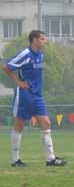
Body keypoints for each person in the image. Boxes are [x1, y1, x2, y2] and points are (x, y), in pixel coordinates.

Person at [2, 30, 67, 167]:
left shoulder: (41, 55)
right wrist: (18, 82)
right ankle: (15, 160)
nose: (45, 41)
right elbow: (6, 67)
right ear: (35, 40)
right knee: (19, 125)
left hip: (37, 96)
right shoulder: (25, 54)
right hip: (25, 95)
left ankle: (50, 159)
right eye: (42, 39)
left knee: (46, 123)